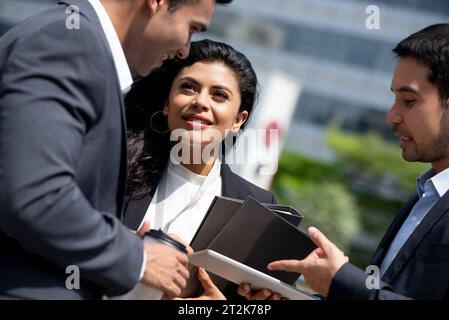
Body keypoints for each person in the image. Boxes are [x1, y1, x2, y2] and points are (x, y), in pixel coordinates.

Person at [0, 0, 233, 299]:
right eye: (191, 28)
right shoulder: (70, 42)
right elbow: (34, 195)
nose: (185, 50)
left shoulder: (77, 40)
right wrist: (139, 257)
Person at [239, 23, 449, 300]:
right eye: (395, 98)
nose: (392, 116)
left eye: (409, 101)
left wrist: (341, 279)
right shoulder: (423, 198)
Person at [123, 39, 276, 299]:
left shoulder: (257, 206)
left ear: (238, 120)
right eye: (189, 87)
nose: (201, 101)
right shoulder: (117, 165)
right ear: (167, 104)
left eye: (219, 95)